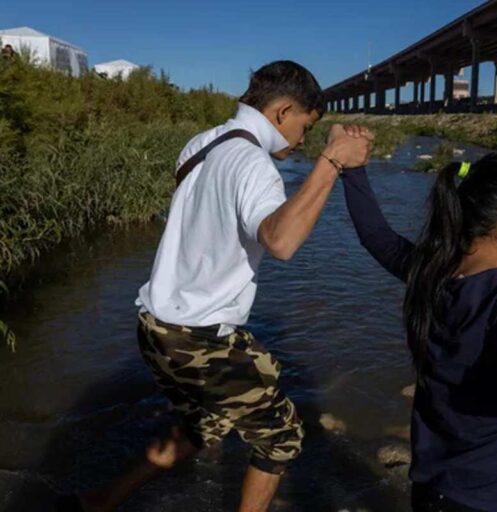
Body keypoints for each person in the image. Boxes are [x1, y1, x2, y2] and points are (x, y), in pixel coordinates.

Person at [62, 61, 373, 512]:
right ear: (284, 111)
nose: (303, 140)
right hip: (195, 338)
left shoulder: (202, 143)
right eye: (305, 126)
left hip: (155, 326)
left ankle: (97, 501)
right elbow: (281, 242)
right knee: (282, 438)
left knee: (202, 428)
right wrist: (332, 162)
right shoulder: (253, 163)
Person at [341, 152, 497, 512]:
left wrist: (353, 170)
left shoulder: (431, 273)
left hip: (430, 487)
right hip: (488, 497)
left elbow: (375, 235)